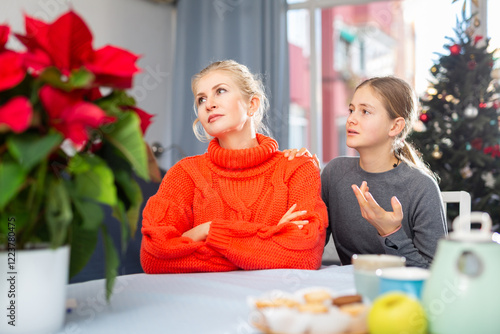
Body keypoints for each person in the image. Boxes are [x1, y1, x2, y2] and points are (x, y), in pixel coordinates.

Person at [140, 60, 328, 274]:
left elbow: (305, 255)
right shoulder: (185, 174)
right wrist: (269, 238)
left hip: (274, 303)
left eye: (220, 91)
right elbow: (153, 255)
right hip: (203, 303)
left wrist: (207, 232)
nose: (208, 104)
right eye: (201, 99)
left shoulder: (297, 169)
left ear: (252, 104)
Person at [286, 76, 447, 268]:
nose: (351, 119)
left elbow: (434, 273)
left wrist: (391, 232)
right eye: (351, 110)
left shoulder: (421, 186)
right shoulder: (335, 173)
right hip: (348, 292)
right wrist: (293, 171)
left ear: (395, 126)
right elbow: (305, 248)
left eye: (365, 111)